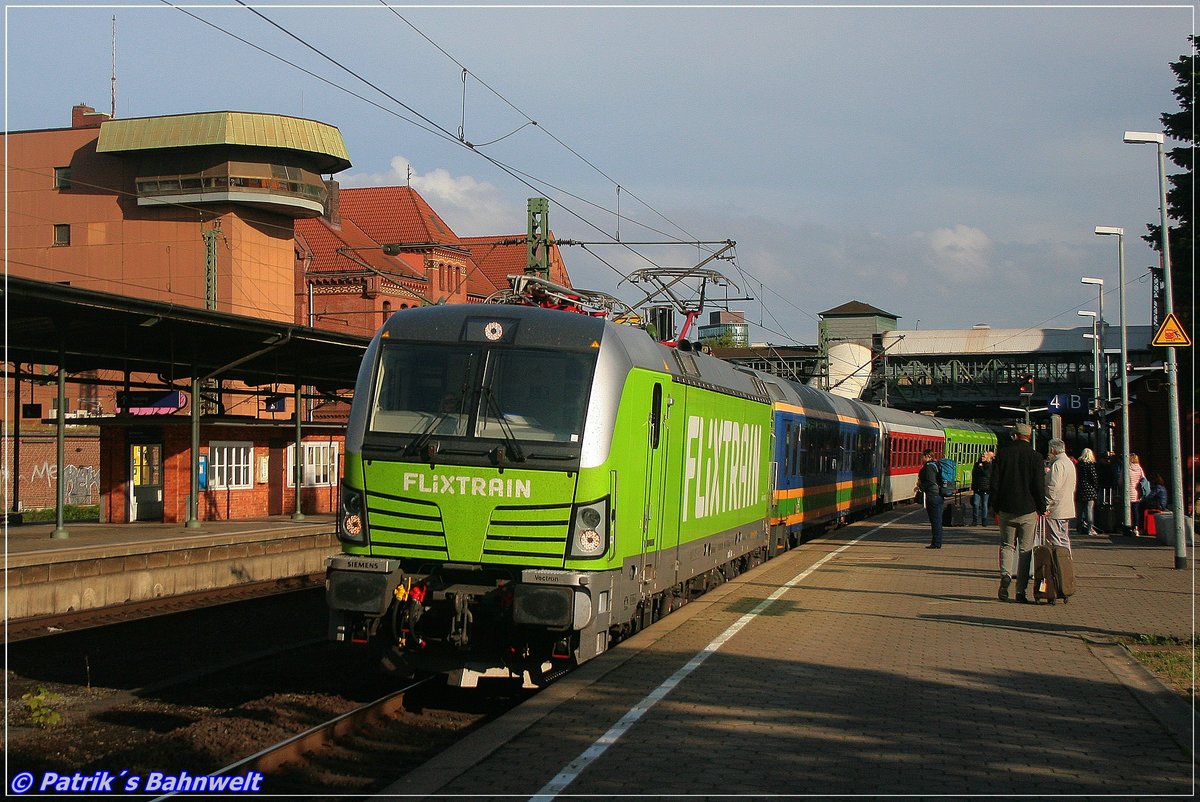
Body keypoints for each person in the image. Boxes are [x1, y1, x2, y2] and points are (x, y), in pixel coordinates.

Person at [990, 423, 1046, 603]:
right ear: (1029, 437)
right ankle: (1021, 591)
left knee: (1007, 546)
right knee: (1025, 550)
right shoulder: (1036, 457)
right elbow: (1038, 486)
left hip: (1006, 508)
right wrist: (1041, 507)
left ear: (1014, 435)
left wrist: (995, 506)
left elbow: (995, 483)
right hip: (1028, 510)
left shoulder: (1003, 454)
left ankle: (1005, 577)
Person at [1044, 439, 1076, 550]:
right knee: (1064, 537)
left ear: (1053, 450)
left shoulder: (1057, 464)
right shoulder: (1069, 463)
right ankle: (1066, 562)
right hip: (1067, 506)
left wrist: (1046, 504)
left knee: (1054, 539)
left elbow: (1053, 486)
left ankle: (1058, 563)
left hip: (1056, 508)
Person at [916, 449, 945, 549]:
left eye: (922, 456)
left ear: (928, 456)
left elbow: (930, 482)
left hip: (933, 496)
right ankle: (936, 542)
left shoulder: (928, 467)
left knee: (935, 520)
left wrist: (920, 486)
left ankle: (936, 543)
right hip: (938, 495)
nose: (921, 458)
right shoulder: (935, 465)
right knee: (937, 520)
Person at [1076, 448, 1100, 536]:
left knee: (1080, 509)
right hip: (1089, 489)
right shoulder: (1090, 465)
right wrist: (1096, 487)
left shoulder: (1079, 465)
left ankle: (1079, 527)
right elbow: (1094, 478)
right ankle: (1090, 528)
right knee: (1089, 509)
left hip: (1080, 488)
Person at [971, 451, 994, 526]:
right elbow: (974, 474)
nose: (982, 457)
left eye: (984, 456)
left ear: (987, 457)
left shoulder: (989, 465)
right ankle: (975, 520)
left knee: (984, 505)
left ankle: (984, 521)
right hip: (977, 487)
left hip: (985, 488)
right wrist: (973, 486)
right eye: (981, 456)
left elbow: (987, 474)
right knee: (975, 504)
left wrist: (981, 468)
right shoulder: (976, 464)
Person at [1128, 454, 1146, 536]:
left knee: (1128, 511)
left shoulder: (1127, 468)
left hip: (1128, 492)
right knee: (1136, 511)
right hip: (1137, 493)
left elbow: (1120, 480)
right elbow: (1143, 480)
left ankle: (1128, 527)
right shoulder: (1140, 469)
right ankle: (1136, 528)